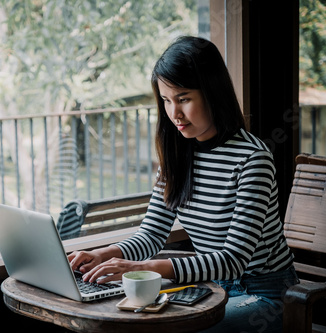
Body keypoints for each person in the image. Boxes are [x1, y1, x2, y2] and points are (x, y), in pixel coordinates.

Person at [68, 36, 299, 332]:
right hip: (211, 289)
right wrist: (104, 254)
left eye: (184, 98)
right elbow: (151, 236)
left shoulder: (253, 159)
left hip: (265, 296)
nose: (174, 113)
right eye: (166, 100)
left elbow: (233, 261)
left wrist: (143, 268)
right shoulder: (178, 154)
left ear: (213, 92)